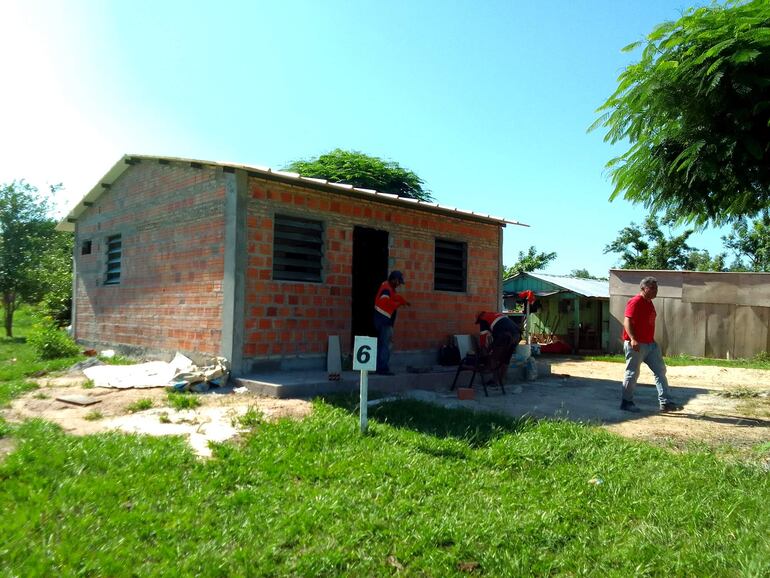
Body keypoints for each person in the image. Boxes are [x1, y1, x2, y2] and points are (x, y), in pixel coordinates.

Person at [620, 276, 684, 413]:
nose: (656, 291)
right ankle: (626, 402)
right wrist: (633, 339)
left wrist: (651, 340)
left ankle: (665, 402)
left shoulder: (649, 303)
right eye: (652, 288)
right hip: (636, 344)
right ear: (643, 288)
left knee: (660, 371)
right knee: (632, 373)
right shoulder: (635, 302)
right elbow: (627, 321)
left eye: (657, 288)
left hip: (650, 344)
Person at [373, 270, 410, 375]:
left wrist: (403, 301)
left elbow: (395, 297)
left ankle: (379, 366)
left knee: (382, 344)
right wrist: (397, 304)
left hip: (383, 321)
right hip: (384, 321)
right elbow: (385, 302)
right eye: (398, 282)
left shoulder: (389, 287)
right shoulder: (386, 289)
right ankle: (382, 368)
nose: (399, 284)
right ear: (394, 280)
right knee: (385, 344)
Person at [474, 311, 521, 385]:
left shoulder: (483, 319)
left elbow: (483, 337)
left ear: (479, 318)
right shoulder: (496, 315)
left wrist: (483, 350)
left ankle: (495, 381)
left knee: (493, 358)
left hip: (505, 335)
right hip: (516, 335)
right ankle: (502, 381)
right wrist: (491, 346)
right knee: (506, 359)